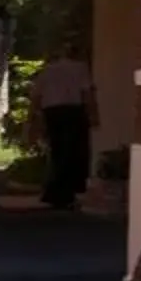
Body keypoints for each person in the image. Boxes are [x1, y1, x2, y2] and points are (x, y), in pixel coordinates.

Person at [31, 47, 94, 210]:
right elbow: (86, 93)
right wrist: (93, 114)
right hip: (72, 111)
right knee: (73, 152)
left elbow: (37, 95)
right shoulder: (81, 68)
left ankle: (56, 191)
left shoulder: (48, 70)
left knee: (57, 150)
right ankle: (64, 191)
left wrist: (34, 118)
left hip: (52, 112)